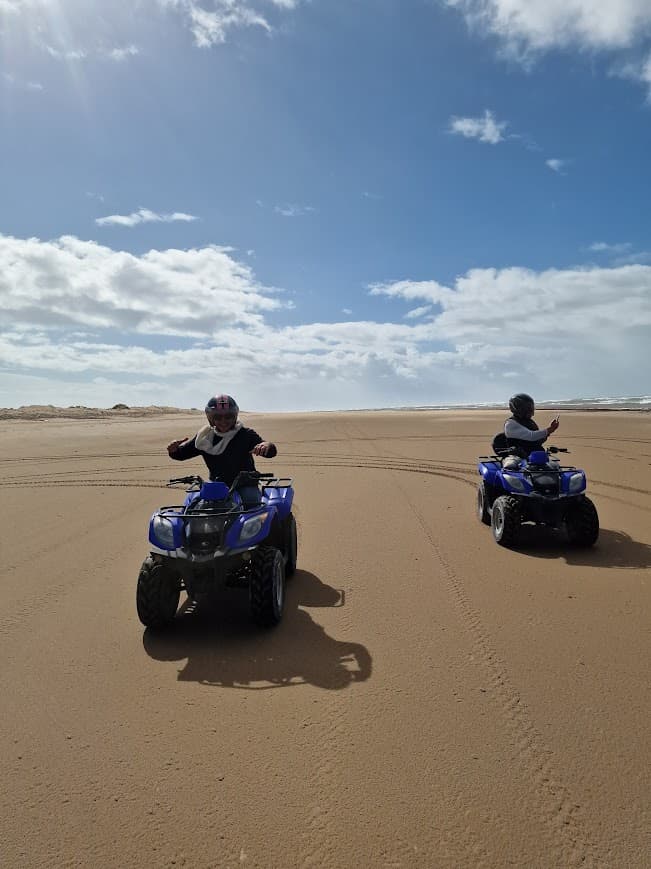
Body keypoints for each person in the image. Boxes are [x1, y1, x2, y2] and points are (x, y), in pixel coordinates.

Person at [167, 394, 277, 505]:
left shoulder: (245, 434)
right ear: (211, 418)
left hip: (245, 484)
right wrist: (173, 450)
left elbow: (270, 452)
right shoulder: (204, 438)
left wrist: (267, 446)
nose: (223, 421)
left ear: (234, 416)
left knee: (252, 505)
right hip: (217, 487)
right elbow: (182, 454)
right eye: (218, 417)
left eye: (228, 416)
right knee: (192, 507)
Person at [504, 393, 559, 458]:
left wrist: (548, 433)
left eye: (531, 407)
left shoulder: (529, 422)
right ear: (519, 408)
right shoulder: (511, 423)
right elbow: (531, 436)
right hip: (520, 459)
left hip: (536, 457)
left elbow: (537, 440)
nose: (531, 410)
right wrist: (550, 429)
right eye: (528, 408)